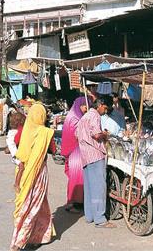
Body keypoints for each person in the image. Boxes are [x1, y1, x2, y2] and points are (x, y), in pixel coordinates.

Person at [10, 104, 56, 251]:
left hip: (25, 175)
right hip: (40, 174)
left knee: (36, 205)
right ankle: (19, 241)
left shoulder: (26, 132)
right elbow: (54, 151)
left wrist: (17, 181)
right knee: (35, 206)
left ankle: (38, 236)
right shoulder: (46, 133)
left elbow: (21, 161)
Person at [75, 97, 116, 229]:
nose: (105, 112)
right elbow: (97, 135)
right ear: (100, 105)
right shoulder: (94, 116)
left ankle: (90, 216)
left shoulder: (84, 117)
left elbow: (77, 134)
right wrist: (104, 134)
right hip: (95, 154)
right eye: (105, 108)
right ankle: (100, 219)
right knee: (99, 187)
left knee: (89, 188)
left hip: (86, 155)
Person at [61, 96, 89, 213]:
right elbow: (78, 135)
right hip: (76, 151)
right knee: (78, 178)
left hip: (73, 150)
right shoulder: (75, 118)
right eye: (84, 106)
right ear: (80, 105)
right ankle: (76, 204)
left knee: (75, 177)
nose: (86, 109)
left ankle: (74, 202)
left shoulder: (72, 115)